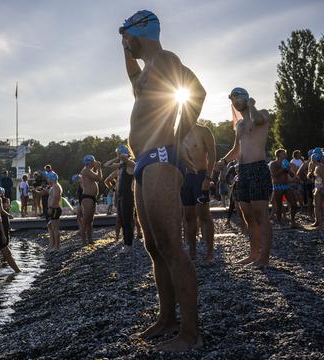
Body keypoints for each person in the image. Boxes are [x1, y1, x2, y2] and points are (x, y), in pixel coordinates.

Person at [120, 10, 204, 350]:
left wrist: (178, 133)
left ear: (141, 32)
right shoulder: (145, 75)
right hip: (143, 162)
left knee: (171, 244)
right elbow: (132, 77)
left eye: (128, 37)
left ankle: (191, 334)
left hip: (160, 158)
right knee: (153, 247)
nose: (125, 44)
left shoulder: (166, 59)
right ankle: (167, 317)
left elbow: (196, 92)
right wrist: (123, 43)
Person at [219, 87, 273, 268]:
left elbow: (258, 120)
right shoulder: (240, 125)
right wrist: (224, 161)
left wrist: (252, 106)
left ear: (246, 97)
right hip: (242, 171)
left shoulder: (261, 113)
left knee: (261, 214)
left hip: (258, 168)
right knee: (248, 215)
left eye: (238, 96)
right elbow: (236, 149)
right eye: (232, 98)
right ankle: (253, 254)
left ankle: (264, 258)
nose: (235, 101)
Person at [181, 122, 216, 262]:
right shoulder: (177, 134)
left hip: (200, 175)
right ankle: (192, 251)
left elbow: (213, 155)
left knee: (204, 215)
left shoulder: (203, 130)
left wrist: (208, 178)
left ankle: (209, 252)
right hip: (185, 178)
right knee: (188, 216)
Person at [107, 145, 136, 252]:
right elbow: (107, 165)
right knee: (122, 221)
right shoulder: (121, 166)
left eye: (119, 154)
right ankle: (126, 244)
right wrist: (117, 157)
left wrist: (125, 156)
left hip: (128, 196)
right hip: (120, 196)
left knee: (128, 221)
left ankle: (129, 245)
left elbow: (133, 163)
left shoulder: (130, 164)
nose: (118, 156)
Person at [269, 149, 298, 228]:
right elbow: (273, 174)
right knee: (279, 205)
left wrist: (289, 170)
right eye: (283, 153)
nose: (285, 155)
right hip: (277, 186)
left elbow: (292, 175)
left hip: (286, 185)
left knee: (294, 203)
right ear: (279, 155)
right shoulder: (273, 163)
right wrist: (282, 169)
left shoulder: (286, 162)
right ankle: (280, 223)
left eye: (285, 153)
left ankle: (293, 221)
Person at [80, 155, 102, 245]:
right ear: (90, 162)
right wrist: (99, 168)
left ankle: (90, 239)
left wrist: (96, 169)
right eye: (94, 162)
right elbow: (99, 178)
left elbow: (96, 178)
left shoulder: (89, 171)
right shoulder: (86, 171)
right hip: (87, 197)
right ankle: (84, 240)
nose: (95, 163)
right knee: (85, 220)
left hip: (91, 197)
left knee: (90, 220)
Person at [46, 171, 63, 250]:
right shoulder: (54, 186)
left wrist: (51, 207)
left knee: (55, 227)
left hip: (55, 209)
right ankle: (52, 244)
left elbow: (56, 197)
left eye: (48, 178)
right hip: (53, 209)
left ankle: (56, 246)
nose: (47, 180)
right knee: (50, 226)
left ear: (51, 178)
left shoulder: (56, 186)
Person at [307, 150, 324, 228]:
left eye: (311, 159)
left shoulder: (319, 167)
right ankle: (317, 221)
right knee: (316, 206)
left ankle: (320, 223)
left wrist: (319, 188)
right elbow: (316, 179)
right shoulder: (316, 167)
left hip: (320, 188)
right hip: (317, 187)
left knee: (318, 206)